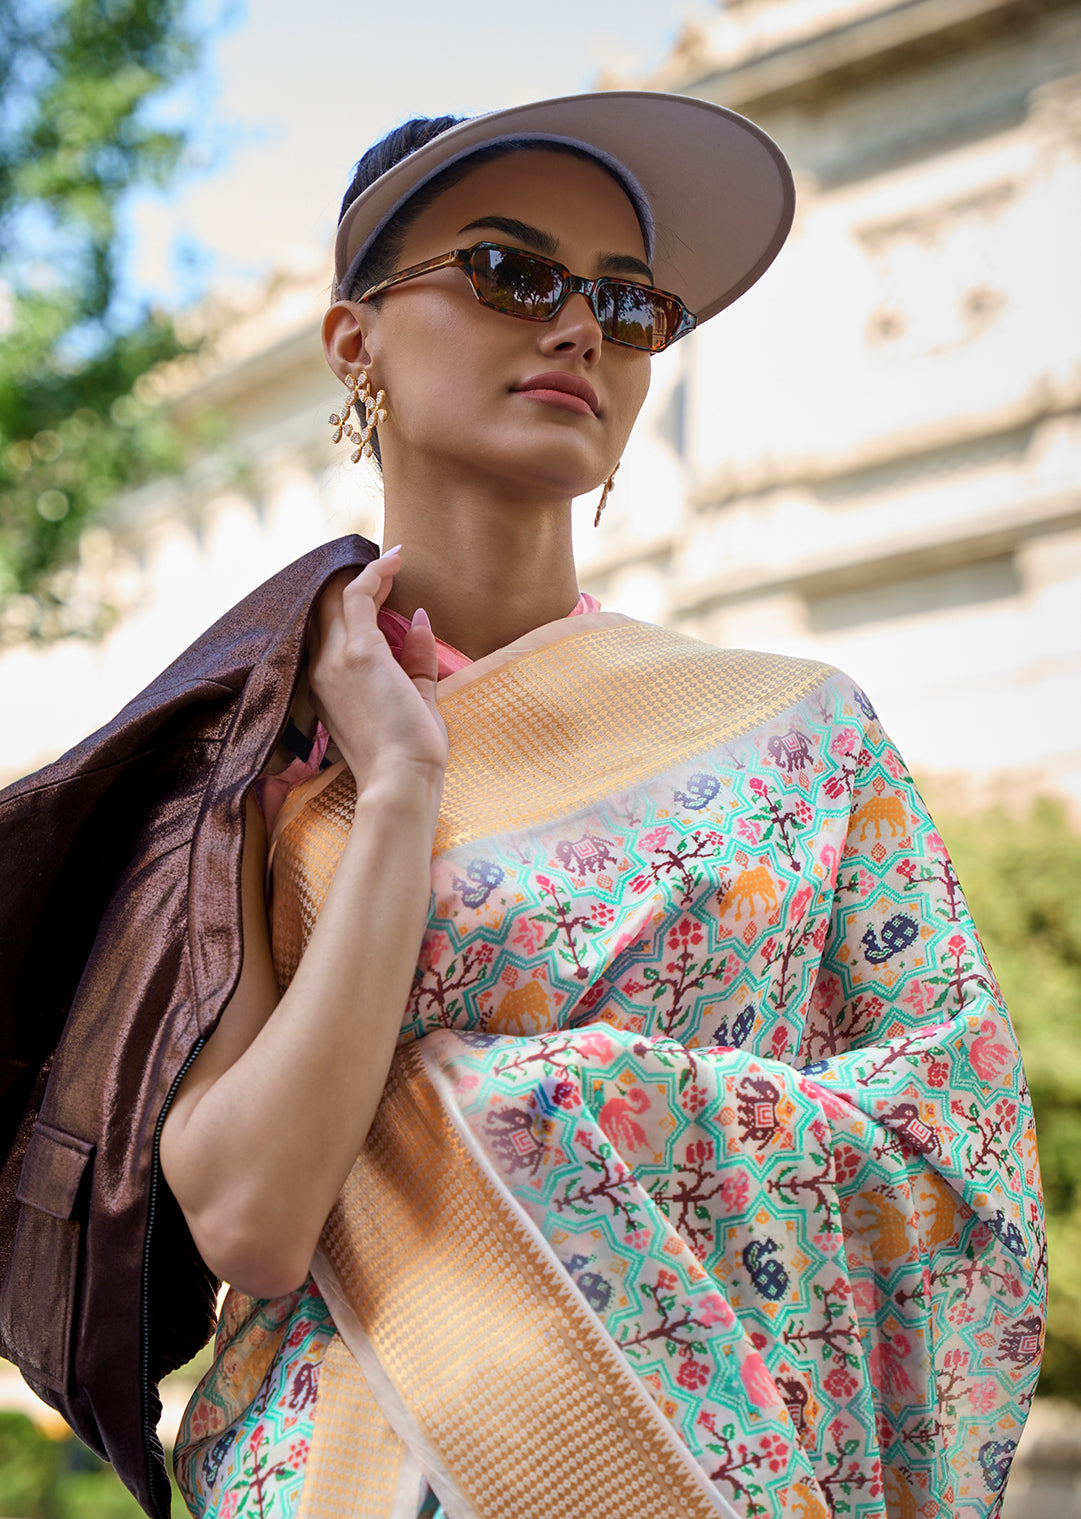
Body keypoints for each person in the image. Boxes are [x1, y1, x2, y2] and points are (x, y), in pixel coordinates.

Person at [6, 93, 1044, 1519]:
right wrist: (395, 793)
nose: (579, 331)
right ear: (352, 338)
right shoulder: (256, 769)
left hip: (709, 1472)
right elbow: (251, 1217)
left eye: (626, 301)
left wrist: (551, 1104)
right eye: (510, 273)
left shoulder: (801, 736)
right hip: (343, 1477)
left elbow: (956, 1155)